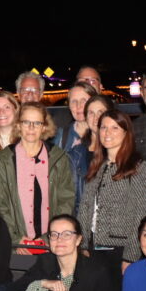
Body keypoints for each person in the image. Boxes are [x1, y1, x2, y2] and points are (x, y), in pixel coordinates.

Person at [76, 110, 146, 283]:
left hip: (120, 250)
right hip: (92, 249)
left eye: (114, 128)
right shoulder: (97, 166)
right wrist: (82, 245)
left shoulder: (138, 167)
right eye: (103, 127)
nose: (107, 133)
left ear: (126, 133)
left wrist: (131, 257)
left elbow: (142, 215)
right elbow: (86, 207)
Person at [0, 102, 75, 253]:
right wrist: (16, 239)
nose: (31, 128)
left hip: (52, 245)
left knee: (57, 278)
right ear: (18, 125)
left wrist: (49, 237)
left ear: (44, 127)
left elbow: (66, 201)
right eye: (26, 122)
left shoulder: (58, 157)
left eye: (37, 123)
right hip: (17, 246)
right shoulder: (5, 159)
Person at [56, 83, 101, 213]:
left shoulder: (107, 135)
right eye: (74, 101)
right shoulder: (61, 136)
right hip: (71, 209)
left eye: (83, 101)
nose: (78, 106)